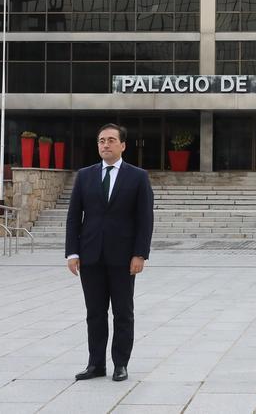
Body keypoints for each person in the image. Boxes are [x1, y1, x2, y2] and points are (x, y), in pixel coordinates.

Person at [65, 123, 154, 382]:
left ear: (123, 145)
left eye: (111, 140)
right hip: (90, 255)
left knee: (123, 313)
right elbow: (73, 217)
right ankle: (95, 364)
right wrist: (72, 252)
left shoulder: (137, 177)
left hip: (123, 257)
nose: (106, 144)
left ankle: (120, 364)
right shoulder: (85, 176)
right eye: (102, 140)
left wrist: (140, 254)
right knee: (94, 313)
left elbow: (145, 219)